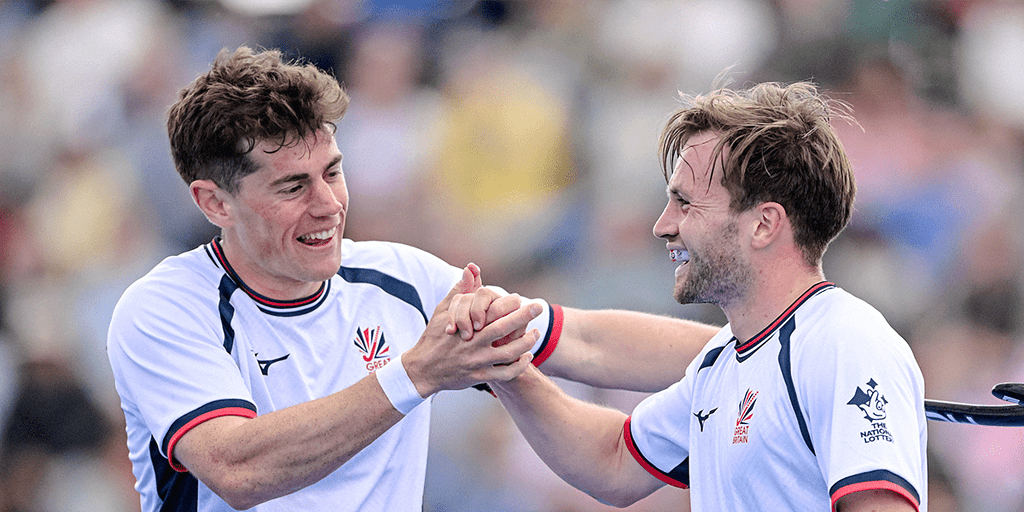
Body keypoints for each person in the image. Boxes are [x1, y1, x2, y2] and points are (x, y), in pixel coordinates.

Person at [105, 46, 719, 512]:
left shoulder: (399, 276)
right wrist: (418, 373)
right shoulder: (164, 308)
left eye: (334, 172)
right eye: (293, 187)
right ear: (213, 203)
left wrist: (763, 343)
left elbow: (585, 342)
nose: (329, 205)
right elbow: (237, 469)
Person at [477, 81, 928, 511]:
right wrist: (504, 364)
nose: (663, 225)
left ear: (765, 224)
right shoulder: (720, 362)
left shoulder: (845, 341)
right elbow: (613, 462)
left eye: (686, 203)